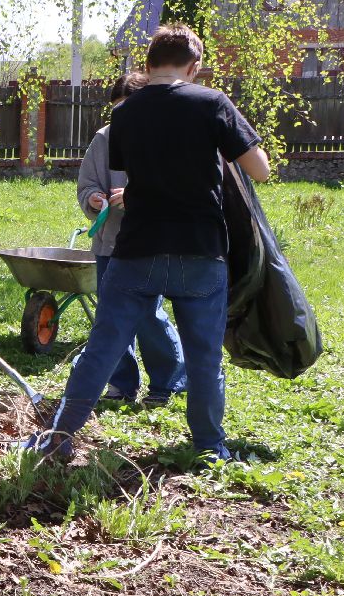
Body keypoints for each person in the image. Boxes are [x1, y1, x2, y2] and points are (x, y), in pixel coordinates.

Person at [20, 24, 270, 463]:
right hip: (200, 250)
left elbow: (135, 182)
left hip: (136, 251)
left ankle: (59, 436)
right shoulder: (212, 102)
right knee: (203, 357)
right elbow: (260, 169)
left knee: (102, 347)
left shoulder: (125, 115)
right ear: (194, 67)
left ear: (148, 65)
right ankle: (210, 446)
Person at [75, 72, 187, 406]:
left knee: (147, 313)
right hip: (110, 243)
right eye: (117, 110)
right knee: (110, 314)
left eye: (128, 108)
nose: (122, 117)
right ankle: (122, 383)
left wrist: (134, 195)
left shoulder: (165, 140)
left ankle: (168, 381)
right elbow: (87, 184)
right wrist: (94, 198)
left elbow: (173, 191)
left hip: (148, 242)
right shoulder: (104, 139)